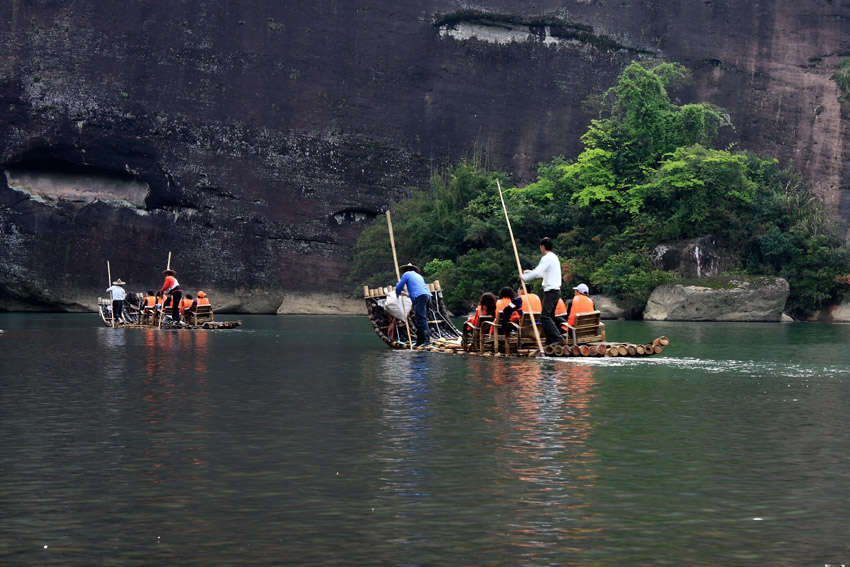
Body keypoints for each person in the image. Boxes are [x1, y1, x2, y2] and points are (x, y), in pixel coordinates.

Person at [521, 237, 565, 346]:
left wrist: (524, 277)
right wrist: (530, 272)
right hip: (555, 291)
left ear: (543, 246)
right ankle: (550, 340)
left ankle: (558, 339)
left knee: (545, 316)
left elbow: (537, 272)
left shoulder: (547, 258)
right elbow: (542, 273)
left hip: (551, 291)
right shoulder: (553, 257)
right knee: (550, 316)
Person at [395, 263, 432, 346]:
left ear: (405, 270)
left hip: (420, 297)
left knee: (421, 319)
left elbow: (399, 286)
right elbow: (416, 290)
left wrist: (397, 295)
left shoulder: (406, 274)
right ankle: (420, 341)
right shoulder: (418, 276)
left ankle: (427, 341)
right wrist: (405, 294)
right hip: (427, 296)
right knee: (420, 319)